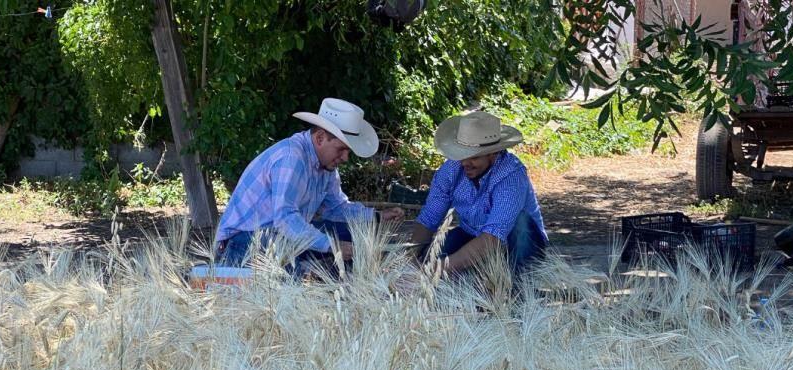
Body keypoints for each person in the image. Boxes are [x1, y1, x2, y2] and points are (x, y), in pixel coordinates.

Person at [214, 98, 404, 268]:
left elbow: (337, 208)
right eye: (341, 149)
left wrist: (376, 216)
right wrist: (331, 246)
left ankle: (342, 286)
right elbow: (286, 219)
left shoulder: (326, 166)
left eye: (348, 151)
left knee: (354, 232)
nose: (345, 158)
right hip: (242, 241)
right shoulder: (292, 158)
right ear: (320, 138)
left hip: (275, 236)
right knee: (290, 265)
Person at [410, 111, 547, 273]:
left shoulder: (511, 175)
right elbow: (429, 217)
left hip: (516, 240)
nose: (465, 163)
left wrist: (437, 270)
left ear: (493, 153)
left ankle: (522, 280)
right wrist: (409, 261)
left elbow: (493, 237)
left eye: (473, 157)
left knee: (521, 225)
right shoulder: (451, 169)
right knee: (430, 257)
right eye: (462, 155)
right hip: (471, 233)